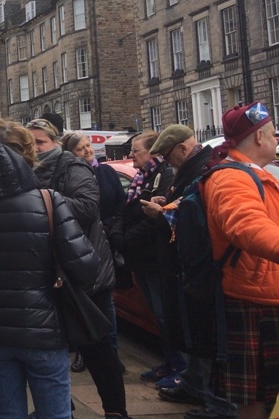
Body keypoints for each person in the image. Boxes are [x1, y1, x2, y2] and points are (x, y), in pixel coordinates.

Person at [0, 119, 99, 419]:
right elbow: (87, 268)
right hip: (44, 329)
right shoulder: (48, 201)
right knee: (55, 414)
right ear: (27, 155)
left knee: (8, 413)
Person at [27, 117, 127, 418]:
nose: (34, 148)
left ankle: (116, 411)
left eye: (40, 142)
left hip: (85, 272)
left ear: (55, 143)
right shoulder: (30, 170)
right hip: (54, 271)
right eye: (29, 143)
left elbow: (87, 208)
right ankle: (61, 407)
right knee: (54, 348)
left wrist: (42, 201)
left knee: (97, 346)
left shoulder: (72, 166)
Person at [144, 125, 237, 419]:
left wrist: (162, 213)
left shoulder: (206, 170)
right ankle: (194, 386)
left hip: (203, 268)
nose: (167, 162)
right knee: (192, 332)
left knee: (207, 337)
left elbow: (193, 215)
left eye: (168, 155)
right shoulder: (194, 168)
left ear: (182, 149)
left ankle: (217, 402)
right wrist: (165, 203)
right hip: (186, 266)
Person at [199, 102, 279, 419]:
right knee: (256, 398)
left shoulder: (254, 174)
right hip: (254, 300)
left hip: (266, 295)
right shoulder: (231, 178)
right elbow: (247, 227)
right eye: (273, 133)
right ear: (259, 137)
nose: (276, 139)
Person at [109, 131, 181, 387]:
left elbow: (152, 221)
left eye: (136, 149)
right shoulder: (141, 177)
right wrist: (118, 233)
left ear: (153, 152)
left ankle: (179, 368)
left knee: (165, 315)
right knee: (157, 315)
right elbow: (125, 210)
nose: (130, 154)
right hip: (141, 259)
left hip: (155, 258)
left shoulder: (165, 176)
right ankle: (169, 362)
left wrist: (125, 240)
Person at [63, 130, 127, 372]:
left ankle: (111, 352)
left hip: (105, 242)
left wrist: (111, 226)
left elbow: (121, 203)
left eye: (88, 146)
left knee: (105, 302)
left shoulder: (107, 172)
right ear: (71, 154)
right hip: (80, 243)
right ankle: (84, 352)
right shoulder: (69, 175)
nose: (88, 151)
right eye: (81, 149)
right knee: (83, 300)